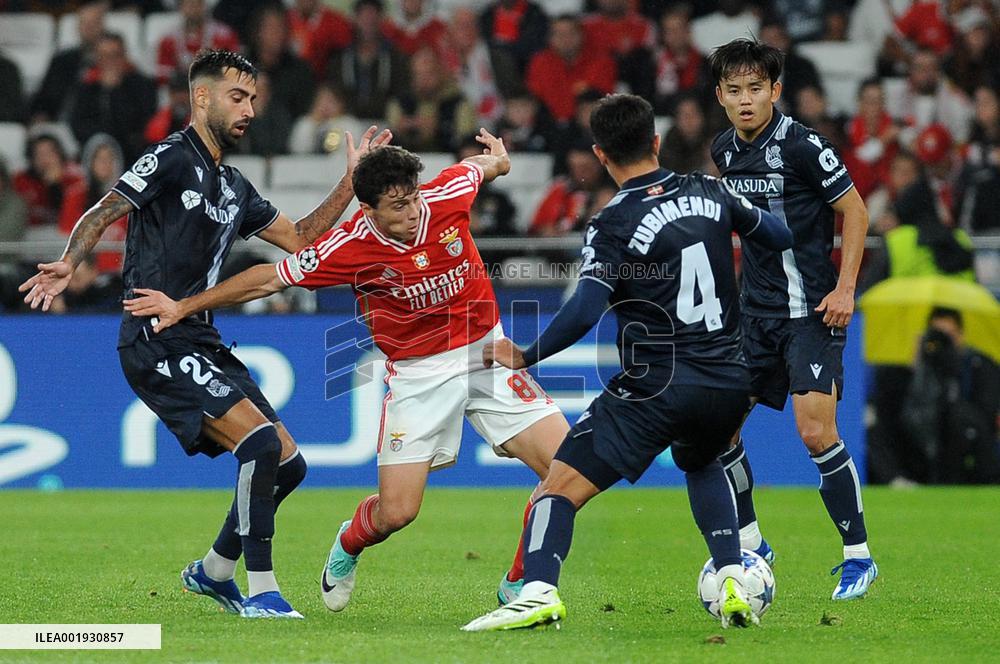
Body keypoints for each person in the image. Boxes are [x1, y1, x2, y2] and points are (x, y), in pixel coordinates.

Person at [117, 131, 570, 613]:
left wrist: (499, 158)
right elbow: (269, 278)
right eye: (397, 206)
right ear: (369, 209)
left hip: (485, 354)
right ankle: (348, 545)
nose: (413, 212)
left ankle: (520, 582)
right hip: (418, 376)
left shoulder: (447, 194)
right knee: (398, 512)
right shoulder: (348, 246)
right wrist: (186, 305)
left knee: (567, 468)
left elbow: (485, 167)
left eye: (413, 198)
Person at [19, 49, 391, 620]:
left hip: (201, 338)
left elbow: (303, 241)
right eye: (237, 97)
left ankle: (215, 571)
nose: (248, 109)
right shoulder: (170, 157)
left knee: (288, 464)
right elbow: (103, 209)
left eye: (253, 100)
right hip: (155, 337)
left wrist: (349, 182)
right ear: (201, 97)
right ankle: (263, 590)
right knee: (260, 445)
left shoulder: (235, 187)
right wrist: (71, 261)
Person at [460, 93, 793, 632]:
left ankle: (538, 592)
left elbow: (586, 308)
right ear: (656, 141)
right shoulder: (709, 189)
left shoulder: (612, 221)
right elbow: (777, 235)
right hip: (729, 380)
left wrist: (526, 354)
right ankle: (733, 577)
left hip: (656, 386)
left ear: (600, 154)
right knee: (703, 462)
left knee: (556, 489)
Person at [708, 38, 878, 600]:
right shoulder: (724, 152)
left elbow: (854, 210)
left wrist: (846, 288)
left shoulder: (804, 147)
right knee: (718, 427)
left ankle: (858, 556)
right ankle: (754, 540)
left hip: (811, 311)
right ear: (721, 98)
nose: (746, 99)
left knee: (814, 431)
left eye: (756, 88)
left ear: (775, 91)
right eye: (735, 91)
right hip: (754, 315)